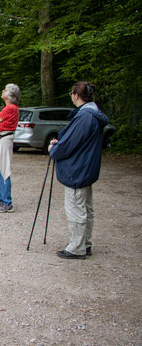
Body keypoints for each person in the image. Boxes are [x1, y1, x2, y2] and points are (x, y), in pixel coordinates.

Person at [49, 82, 108, 260]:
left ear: (76, 95)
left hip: (78, 169)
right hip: (87, 167)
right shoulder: (93, 114)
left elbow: (70, 143)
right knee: (86, 208)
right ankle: (85, 244)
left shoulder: (85, 117)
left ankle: (77, 247)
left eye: (71, 93)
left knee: (76, 208)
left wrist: (55, 150)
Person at [0, 84, 20, 213]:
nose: (3, 91)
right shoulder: (9, 108)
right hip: (0, 139)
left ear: (11, 95)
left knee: (3, 170)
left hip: (3, 140)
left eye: (5, 90)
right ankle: (1, 199)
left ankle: (7, 202)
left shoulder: (10, 108)